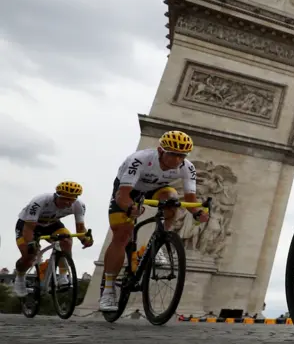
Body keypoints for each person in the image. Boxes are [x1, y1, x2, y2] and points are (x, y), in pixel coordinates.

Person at [98, 130, 209, 312]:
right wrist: (130, 208)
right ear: (160, 151)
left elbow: (190, 200)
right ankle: (108, 290)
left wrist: (198, 213)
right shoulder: (140, 159)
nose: (176, 160)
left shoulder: (187, 167)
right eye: (172, 154)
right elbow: (123, 196)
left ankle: (160, 240)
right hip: (128, 190)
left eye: (181, 155)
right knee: (122, 234)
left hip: (156, 188)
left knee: (172, 200)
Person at [13, 181, 93, 297]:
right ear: (57, 195)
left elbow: (80, 229)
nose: (67, 202)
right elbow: (28, 228)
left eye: (71, 200)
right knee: (29, 256)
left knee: (67, 240)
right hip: (28, 226)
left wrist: (85, 239)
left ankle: (62, 276)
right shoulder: (40, 201)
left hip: (51, 224)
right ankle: (20, 277)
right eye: (64, 198)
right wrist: (31, 243)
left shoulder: (79, 205)